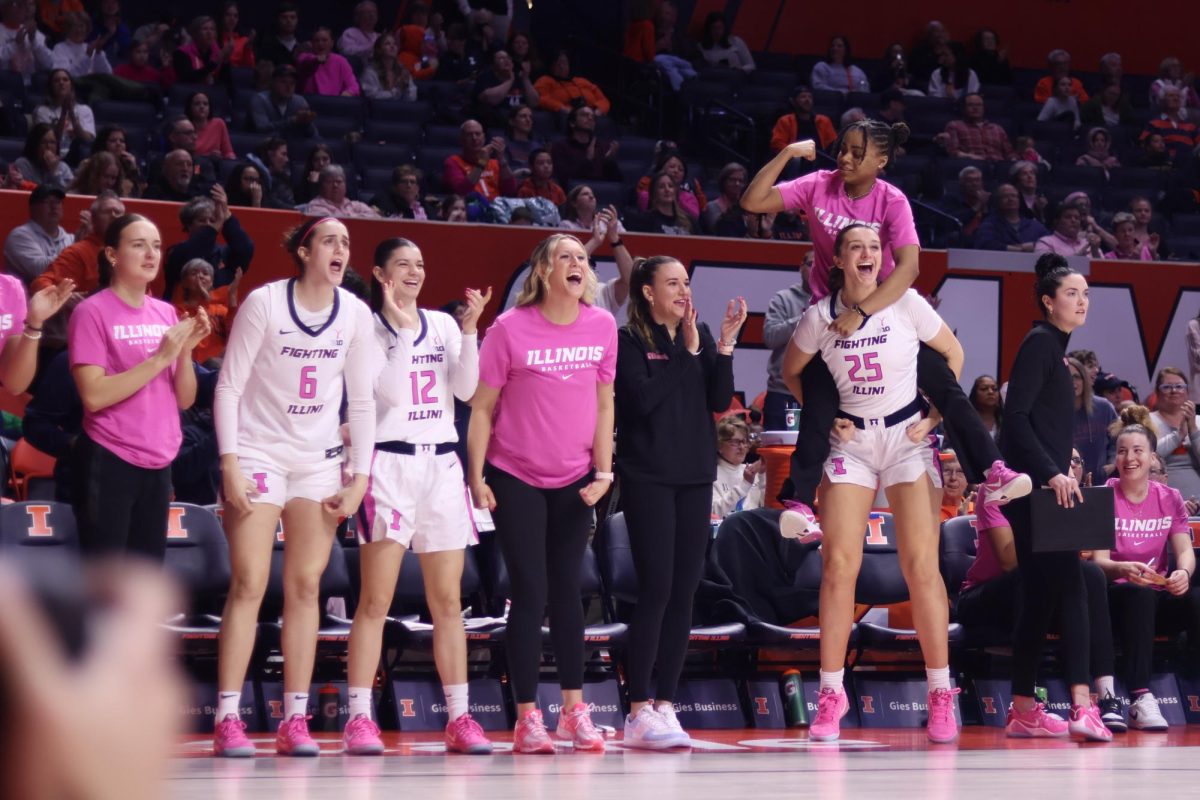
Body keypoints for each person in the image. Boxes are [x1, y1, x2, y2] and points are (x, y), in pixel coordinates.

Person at [742, 119, 1029, 510]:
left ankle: (993, 470)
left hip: (885, 313)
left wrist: (862, 312)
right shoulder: (819, 184)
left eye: (857, 153)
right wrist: (788, 153)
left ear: (881, 161)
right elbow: (753, 202)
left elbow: (910, 268)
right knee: (818, 401)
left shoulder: (892, 200)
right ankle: (800, 503)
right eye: (842, 149)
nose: (845, 158)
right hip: (832, 315)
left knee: (944, 383)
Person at [781, 224, 965, 743]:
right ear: (838, 260)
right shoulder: (819, 317)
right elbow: (791, 371)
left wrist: (934, 417)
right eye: (856, 247)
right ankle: (831, 693)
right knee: (839, 565)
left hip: (907, 437)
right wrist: (826, 416)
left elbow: (953, 355)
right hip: (853, 443)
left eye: (875, 248)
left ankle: (940, 691)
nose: (868, 254)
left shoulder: (906, 303)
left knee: (921, 566)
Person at [211, 217, 375, 757]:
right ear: (304, 252)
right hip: (259, 451)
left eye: (346, 243)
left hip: (318, 461)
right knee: (250, 581)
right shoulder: (264, 303)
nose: (340, 249)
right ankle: (228, 716)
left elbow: (362, 402)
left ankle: (294, 719)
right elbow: (229, 386)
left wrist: (360, 477)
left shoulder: (355, 313)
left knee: (306, 586)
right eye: (329, 241)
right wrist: (230, 463)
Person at [343, 237, 494, 755]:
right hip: (389, 462)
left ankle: (459, 717)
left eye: (421, 264)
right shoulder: (366, 328)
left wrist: (470, 331)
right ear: (380, 274)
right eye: (403, 264)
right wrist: (403, 330)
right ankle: (359, 717)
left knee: (448, 601)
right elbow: (387, 393)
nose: (415, 271)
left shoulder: (444, 324)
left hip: (442, 466)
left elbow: (467, 391)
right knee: (375, 600)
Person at [467, 233, 616, 754]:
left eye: (582, 257)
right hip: (516, 474)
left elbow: (604, 403)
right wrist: (476, 476)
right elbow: (482, 407)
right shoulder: (509, 328)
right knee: (530, 592)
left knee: (570, 592)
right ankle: (527, 717)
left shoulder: (602, 325)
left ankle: (574, 712)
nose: (577, 263)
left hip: (576, 477)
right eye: (565, 257)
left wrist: (604, 471)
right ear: (544, 271)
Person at [615, 255, 746, 748]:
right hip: (648, 478)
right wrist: (685, 354)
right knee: (657, 589)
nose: (683, 291)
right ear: (648, 292)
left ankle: (666, 705)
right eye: (672, 283)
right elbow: (642, 402)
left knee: (685, 590)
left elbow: (719, 399)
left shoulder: (700, 333)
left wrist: (724, 344)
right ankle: (636, 710)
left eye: (686, 282)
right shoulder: (629, 341)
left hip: (695, 476)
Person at [998, 252, 1112, 741]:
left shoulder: (1053, 349)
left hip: (1039, 488)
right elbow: (1015, 420)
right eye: (1071, 293)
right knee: (1074, 587)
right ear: (1048, 301)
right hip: (1038, 492)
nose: (1081, 301)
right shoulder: (1041, 343)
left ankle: (1023, 709)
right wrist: (1051, 472)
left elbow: (1036, 422)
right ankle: (1083, 707)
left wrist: (1055, 463)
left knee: (1040, 597)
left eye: (1085, 294)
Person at [68, 213, 208, 560]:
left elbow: (185, 399)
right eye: (138, 245)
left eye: (156, 246)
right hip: (110, 456)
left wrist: (185, 352)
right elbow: (94, 395)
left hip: (160, 461)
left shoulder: (165, 313)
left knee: (145, 579)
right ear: (112, 255)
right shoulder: (90, 312)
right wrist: (160, 358)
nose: (151, 254)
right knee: (107, 579)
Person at [957, 457, 1125, 733]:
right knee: (1031, 577)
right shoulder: (996, 487)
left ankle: (1106, 696)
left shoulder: (1063, 491)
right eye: (1066, 460)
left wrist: (1069, 523)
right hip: (982, 595)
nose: (1069, 466)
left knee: (1091, 575)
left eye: (1075, 461)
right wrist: (1051, 528)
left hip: (1035, 589)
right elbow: (1009, 561)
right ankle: (1026, 700)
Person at [1093, 424, 1200, 731]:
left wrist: (1183, 572)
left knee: (1196, 599)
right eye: (1122, 451)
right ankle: (1139, 697)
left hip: (1156, 591)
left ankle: (1192, 676)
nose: (1129, 458)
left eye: (1137, 450)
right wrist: (1123, 568)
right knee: (1139, 595)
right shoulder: (1103, 496)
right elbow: (1098, 561)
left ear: (1152, 456)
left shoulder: (1170, 497)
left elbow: (1185, 550)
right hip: (1116, 595)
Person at [162, 191, 254, 301]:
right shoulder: (176, 252)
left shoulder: (224, 255)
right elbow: (194, 251)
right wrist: (214, 228)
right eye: (202, 220)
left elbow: (245, 250)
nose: (208, 224)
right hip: (180, 310)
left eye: (212, 220)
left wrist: (227, 215)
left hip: (220, 311)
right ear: (188, 225)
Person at [762, 252, 812, 431]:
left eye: (820, 265)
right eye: (810, 264)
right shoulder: (784, 298)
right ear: (801, 267)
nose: (815, 269)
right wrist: (806, 318)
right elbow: (770, 337)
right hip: (783, 392)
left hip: (819, 393)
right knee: (780, 447)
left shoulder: (834, 301)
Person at [3, 184, 72, 287]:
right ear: (33, 208)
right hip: (26, 296)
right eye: (47, 202)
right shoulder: (19, 236)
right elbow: (40, 270)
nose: (54, 207)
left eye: (57, 202)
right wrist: (75, 250)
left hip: (65, 294)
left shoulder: (70, 239)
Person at [1148, 367, 1200, 501]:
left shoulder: (1198, 421)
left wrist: (1194, 430)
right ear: (1157, 392)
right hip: (1160, 500)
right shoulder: (1147, 421)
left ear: (1187, 392)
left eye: (1179, 386)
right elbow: (1147, 457)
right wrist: (1178, 436)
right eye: (1167, 387)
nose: (1174, 391)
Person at [173, 258, 238, 364]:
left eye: (205, 273)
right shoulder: (177, 311)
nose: (200, 276)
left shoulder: (221, 310)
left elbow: (235, 336)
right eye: (194, 273)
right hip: (193, 367)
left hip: (220, 366)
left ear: (211, 282)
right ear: (184, 282)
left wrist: (232, 297)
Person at [1068, 356, 1117, 481]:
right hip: (1069, 483)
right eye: (1067, 377)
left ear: (1084, 379)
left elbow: (1118, 438)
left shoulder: (1104, 407)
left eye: (1076, 377)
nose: (1072, 382)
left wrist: (1113, 461)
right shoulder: (1053, 413)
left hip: (1102, 482)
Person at [443, 119, 517, 201]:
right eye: (469, 135)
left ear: (484, 138)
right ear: (461, 139)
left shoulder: (494, 163)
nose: (474, 138)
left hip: (497, 206)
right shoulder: (453, 162)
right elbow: (462, 191)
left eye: (478, 134)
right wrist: (481, 163)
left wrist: (501, 158)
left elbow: (511, 191)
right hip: (471, 206)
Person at [549, 105, 621, 186]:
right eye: (584, 115)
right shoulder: (560, 147)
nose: (590, 118)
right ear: (572, 123)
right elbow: (563, 178)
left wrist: (609, 162)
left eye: (593, 117)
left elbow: (617, 180)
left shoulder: (603, 147)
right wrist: (587, 160)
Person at [33, 69, 94, 159]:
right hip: (52, 155)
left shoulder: (84, 110)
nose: (61, 83)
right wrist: (63, 113)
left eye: (65, 80)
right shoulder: (42, 111)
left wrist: (73, 117)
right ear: (51, 87)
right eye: (56, 81)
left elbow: (88, 140)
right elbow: (49, 140)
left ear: (71, 86)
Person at [712, 415, 764, 519]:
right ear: (719, 445)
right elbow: (715, 512)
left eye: (744, 441)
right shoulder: (712, 475)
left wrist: (763, 476)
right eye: (735, 442)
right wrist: (745, 484)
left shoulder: (752, 470)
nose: (742, 447)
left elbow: (766, 507)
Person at [250, 63, 318, 139]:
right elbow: (262, 129)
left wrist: (307, 123)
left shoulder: (299, 102)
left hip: (289, 145)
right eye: (283, 82)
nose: (288, 87)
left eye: (292, 83)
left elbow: (313, 135)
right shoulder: (260, 99)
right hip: (259, 143)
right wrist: (292, 121)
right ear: (273, 82)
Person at [973, 184, 1048, 252]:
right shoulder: (989, 225)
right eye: (1005, 196)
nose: (1010, 199)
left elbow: (1050, 243)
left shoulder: (1034, 226)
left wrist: (1035, 246)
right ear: (998, 201)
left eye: (1014, 196)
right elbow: (985, 245)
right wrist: (1018, 249)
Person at [939, 94, 1015, 161]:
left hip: (998, 164)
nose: (975, 108)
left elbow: (1009, 153)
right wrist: (971, 157)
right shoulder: (954, 126)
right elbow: (953, 151)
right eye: (970, 105)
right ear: (964, 108)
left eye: (979, 105)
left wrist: (1014, 160)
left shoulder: (997, 129)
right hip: (970, 163)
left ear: (983, 108)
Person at [473, 49, 537, 129]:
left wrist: (525, 78)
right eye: (501, 58)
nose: (506, 61)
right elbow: (491, 100)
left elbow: (534, 102)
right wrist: (510, 80)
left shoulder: (519, 78)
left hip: (520, 117)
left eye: (508, 58)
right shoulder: (485, 77)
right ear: (493, 64)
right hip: (498, 120)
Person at [534, 50, 610, 115]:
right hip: (566, 116)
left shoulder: (582, 81)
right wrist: (563, 109)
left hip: (592, 115)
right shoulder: (545, 80)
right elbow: (541, 99)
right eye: (558, 63)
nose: (561, 67)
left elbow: (603, 100)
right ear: (551, 65)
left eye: (564, 63)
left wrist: (597, 112)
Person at [636, 149, 705, 220]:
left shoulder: (688, 197)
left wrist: (676, 198)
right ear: (660, 170)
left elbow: (694, 216)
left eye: (680, 169)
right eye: (672, 167)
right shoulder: (646, 195)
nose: (676, 171)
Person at [770, 85, 836, 154]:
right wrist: (796, 152)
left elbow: (833, 144)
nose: (807, 100)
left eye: (810, 97)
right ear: (793, 101)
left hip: (820, 156)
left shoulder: (824, 121)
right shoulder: (785, 121)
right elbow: (777, 143)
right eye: (803, 97)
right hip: (794, 157)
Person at [0, 0, 53, 85]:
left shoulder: (34, 32)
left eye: (24, 4)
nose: (22, 8)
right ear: (3, 8)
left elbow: (49, 63)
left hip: (32, 85)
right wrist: (14, 45)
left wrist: (34, 42)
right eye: (17, 4)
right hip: (5, 86)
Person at [625, 172, 694, 235]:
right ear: (654, 193)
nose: (667, 189)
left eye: (670, 186)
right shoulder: (644, 220)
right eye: (661, 187)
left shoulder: (690, 220)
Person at [297, 27, 359, 97]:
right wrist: (316, 60)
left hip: (334, 101)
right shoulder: (304, 58)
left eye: (324, 40)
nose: (320, 44)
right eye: (317, 41)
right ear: (312, 44)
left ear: (332, 43)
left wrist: (348, 93)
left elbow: (353, 86)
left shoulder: (341, 61)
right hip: (310, 100)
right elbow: (305, 61)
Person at [304, 165, 380, 219]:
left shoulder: (357, 206)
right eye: (329, 182)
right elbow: (332, 225)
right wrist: (358, 216)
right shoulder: (315, 206)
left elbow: (377, 219)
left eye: (339, 181)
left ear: (345, 185)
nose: (335, 185)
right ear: (321, 186)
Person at [50, 12, 112, 78]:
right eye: (74, 26)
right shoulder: (60, 48)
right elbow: (65, 76)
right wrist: (87, 56)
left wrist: (98, 54)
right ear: (68, 29)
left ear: (86, 29)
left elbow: (108, 74)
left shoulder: (91, 47)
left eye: (81, 26)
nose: (78, 30)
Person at [174, 15, 229, 87]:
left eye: (212, 29)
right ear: (195, 33)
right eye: (205, 29)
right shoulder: (181, 53)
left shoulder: (217, 52)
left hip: (212, 92)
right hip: (191, 92)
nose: (209, 32)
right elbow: (187, 79)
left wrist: (225, 61)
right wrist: (213, 65)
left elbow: (224, 82)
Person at [15, 123, 73, 188]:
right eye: (43, 142)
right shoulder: (23, 164)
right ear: (35, 144)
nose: (48, 146)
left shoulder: (63, 168)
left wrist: (55, 172)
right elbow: (33, 190)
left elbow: (67, 192)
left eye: (52, 142)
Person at [1034, 203, 1103, 258]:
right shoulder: (1046, 243)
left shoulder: (1089, 244)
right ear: (1056, 222)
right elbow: (1045, 268)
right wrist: (1077, 258)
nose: (1073, 220)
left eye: (1077, 218)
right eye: (1068, 217)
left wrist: (1095, 252)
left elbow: (1104, 270)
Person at [360, 33, 415, 101]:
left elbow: (412, 98)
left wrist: (406, 87)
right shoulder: (370, 72)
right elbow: (372, 96)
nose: (392, 46)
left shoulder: (402, 71)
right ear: (379, 50)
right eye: (387, 44)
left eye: (394, 44)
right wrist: (396, 91)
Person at [701, 162, 749, 236]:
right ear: (723, 182)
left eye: (741, 181)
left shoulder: (748, 208)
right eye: (732, 180)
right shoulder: (711, 207)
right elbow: (720, 231)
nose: (737, 184)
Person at [185, 91, 234, 161]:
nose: (202, 107)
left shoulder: (219, 123)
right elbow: (184, 155)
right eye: (197, 104)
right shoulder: (185, 126)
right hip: (195, 164)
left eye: (205, 104)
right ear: (190, 108)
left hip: (216, 164)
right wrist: (207, 156)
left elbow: (228, 152)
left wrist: (231, 159)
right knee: (198, 167)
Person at [255, 2, 301, 68]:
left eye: (292, 17)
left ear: (297, 20)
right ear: (277, 20)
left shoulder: (303, 44)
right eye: (284, 17)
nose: (289, 21)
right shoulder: (267, 47)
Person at [504, 104, 542, 173]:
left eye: (530, 117)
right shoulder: (504, 145)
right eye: (523, 116)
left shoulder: (537, 147)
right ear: (512, 121)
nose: (528, 120)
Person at [216, 1, 254, 68]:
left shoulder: (244, 40)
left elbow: (250, 67)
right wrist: (223, 54)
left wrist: (247, 48)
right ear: (221, 16)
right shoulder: (213, 38)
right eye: (228, 15)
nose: (232, 18)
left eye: (235, 16)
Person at [939, 450, 972, 521]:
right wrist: (961, 521)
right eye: (947, 471)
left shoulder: (977, 510)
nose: (953, 478)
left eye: (960, 472)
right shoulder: (926, 511)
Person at [969, 374, 1002, 442]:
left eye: (995, 389)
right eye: (984, 389)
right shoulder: (965, 421)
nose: (990, 392)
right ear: (975, 394)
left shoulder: (1007, 422)